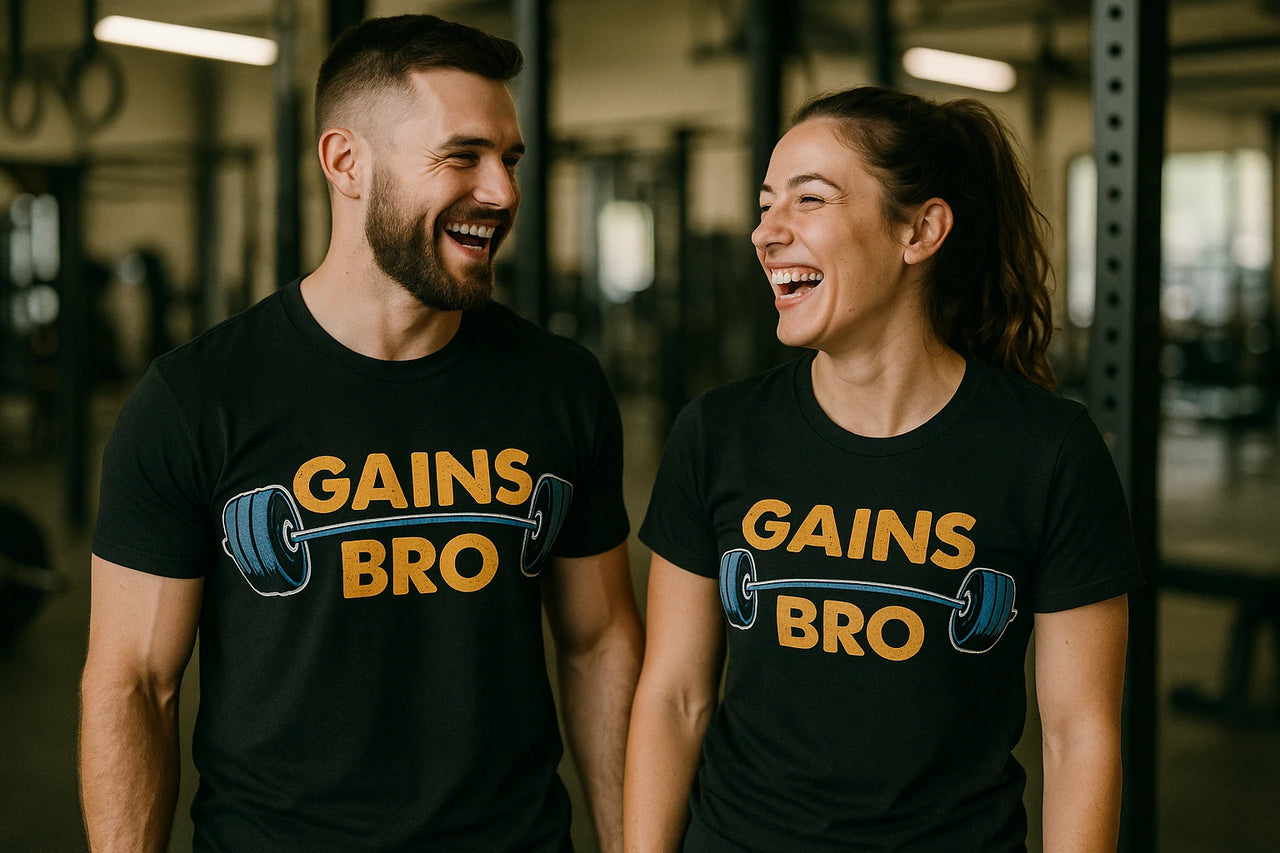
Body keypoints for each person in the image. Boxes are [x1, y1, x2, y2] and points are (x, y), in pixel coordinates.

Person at [79, 15, 642, 852]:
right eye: (463, 156)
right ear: (347, 162)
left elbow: (598, 645)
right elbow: (134, 683)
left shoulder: (559, 386)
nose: (503, 192)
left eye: (510, 160)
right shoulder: (196, 398)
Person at [623, 86, 1144, 852]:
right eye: (766, 204)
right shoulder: (719, 431)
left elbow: (1078, 737)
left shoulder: (1047, 450)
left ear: (921, 229)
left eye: (810, 199)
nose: (767, 232)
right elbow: (674, 697)